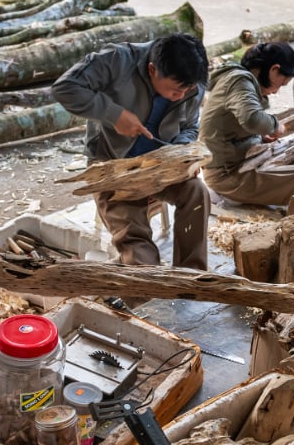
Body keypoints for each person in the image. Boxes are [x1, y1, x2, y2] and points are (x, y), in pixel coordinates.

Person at [52, 33, 211, 270]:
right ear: (152, 69)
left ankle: (191, 275)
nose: (182, 95)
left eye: (188, 89)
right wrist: (114, 114)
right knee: (140, 258)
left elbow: (189, 126)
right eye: (175, 90)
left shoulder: (190, 86)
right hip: (114, 167)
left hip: (160, 165)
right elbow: (65, 88)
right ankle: (141, 275)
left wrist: (180, 154)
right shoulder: (118, 60)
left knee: (197, 192)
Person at [200, 42, 294, 206]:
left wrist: (259, 136)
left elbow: (237, 125)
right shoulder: (239, 81)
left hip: (246, 160)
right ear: (274, 70)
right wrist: (275, 125)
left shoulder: (241, 82)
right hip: (227, 176)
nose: (276, 91)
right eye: (282, 82)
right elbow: (252, 119)